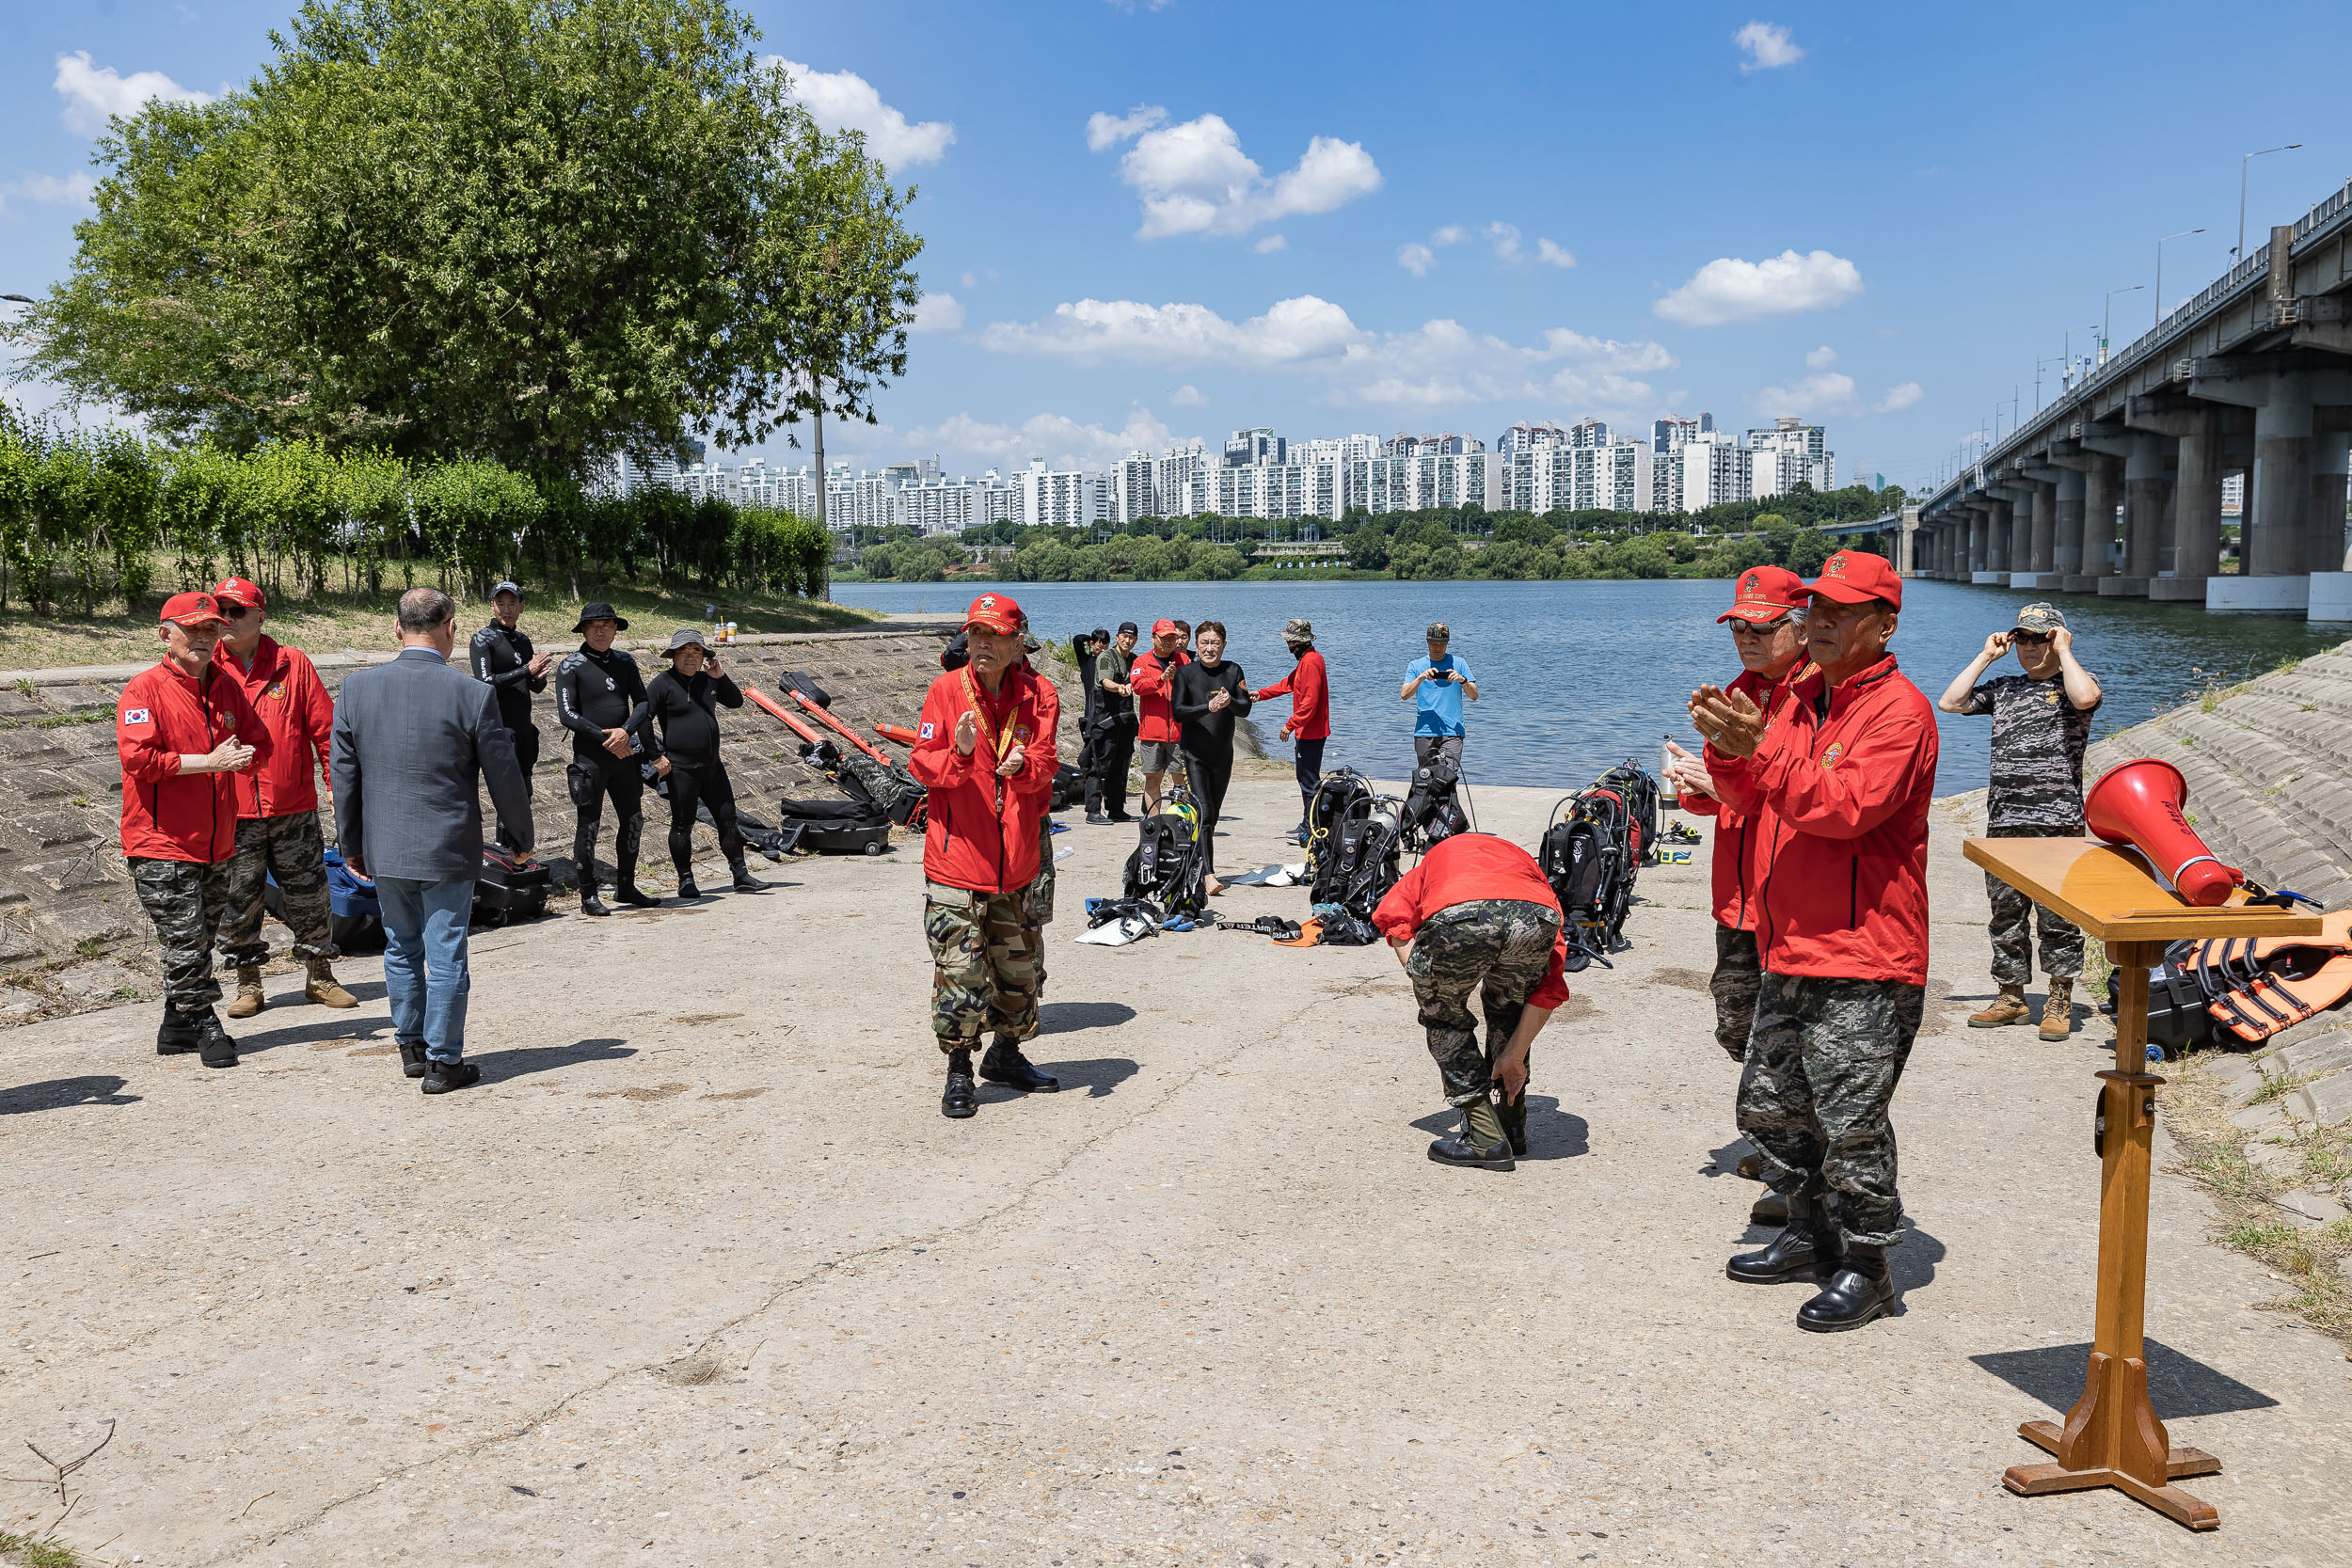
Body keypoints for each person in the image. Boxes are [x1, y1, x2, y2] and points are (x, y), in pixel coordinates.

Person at [1690, 549, 1937, 1333]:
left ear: (1884, 624)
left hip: (1867, 952)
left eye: (1841, 611)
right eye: (1818, 608)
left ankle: (1868, 1266)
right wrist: (1729, 753)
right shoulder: (1802, 699)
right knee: (1770, 1103)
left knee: (1850, 1117)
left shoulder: (1899, 712)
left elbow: (1841, 807)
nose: (1820, 621)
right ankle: (1810, 1230)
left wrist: (1757, 749)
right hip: (1791, 941)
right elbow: (1754, 795)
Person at [330, 588, 532, 1094]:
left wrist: (351, 842)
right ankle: (444, 1061)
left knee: (400, 945)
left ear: (397, 628)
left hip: (386, 847)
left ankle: (412, 1046)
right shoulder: (471, 693)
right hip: (447, 846)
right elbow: (503, 775)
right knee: (445, 950)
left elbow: (344, 775)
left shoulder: (355, 690)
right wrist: (521, 838)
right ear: (450, 626)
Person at [1661, 565, 1811, 1216]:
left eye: (1761, 627)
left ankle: (1796, 1162)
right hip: (1738, 895)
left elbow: (1808, 798)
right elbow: (1733, 798)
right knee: (1736, 1020)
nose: (1746, 638)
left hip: (1793, 896)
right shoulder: (1736, 692)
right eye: (1737, 627)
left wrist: (1725, 782)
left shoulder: (1817, 696)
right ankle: (1787, 1137)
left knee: (1791, 1034)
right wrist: (1696, 785)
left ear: (1798, 628)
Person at [909, 592, 1062, 1118]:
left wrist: (1024, 765)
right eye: (975, 634)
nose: (981, 645)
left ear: (1018, 642)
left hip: (1017, 860)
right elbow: (923, 766)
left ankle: (1006, 1054)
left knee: (1018, 970)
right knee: (960, 970)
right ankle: (958, 1070)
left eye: (994, 636)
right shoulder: (946, 691)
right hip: (957, 860)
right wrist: (963, 752)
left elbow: (1047, 764)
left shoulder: (1040, 695)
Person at [117, 592, 270, 1069]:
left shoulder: (224, 686)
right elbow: (137, 759)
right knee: (184, 939)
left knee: (200, 939)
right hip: (160, 842)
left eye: (211, 629)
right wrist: (210, 762)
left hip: (218, 842)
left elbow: (258, 742)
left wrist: (245, 758)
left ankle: (175, 1025)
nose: (204, 638)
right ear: (166, 634)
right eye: (193, 629)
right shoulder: (143, 690)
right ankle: (204, 1021)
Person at [1936, 603, 2104, 1041]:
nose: (2030, 647)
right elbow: (1950, 702)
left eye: (2040, 638)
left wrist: (2064, 651)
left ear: (2057, 639)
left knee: (2058, 918)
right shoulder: (2004, 687)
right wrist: (1985, 657)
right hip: (2005, 823)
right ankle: (2011, 998)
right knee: (2005, 915)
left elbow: (2087, 698)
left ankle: (2059, 999)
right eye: (2023, 639)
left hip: (2059, 826)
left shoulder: (2074, 688)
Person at [1373, 832, 1570, 1172]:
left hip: (1457, 914)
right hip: (1536, 917)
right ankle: (1511, 1124)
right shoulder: (1525, 869)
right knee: (1511, 1006)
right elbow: (1550, 984)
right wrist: (1513, 1055)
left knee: (1445, 1020)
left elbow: (1393, 917)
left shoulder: (1434, 861)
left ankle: (1485, 1138)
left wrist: (1427, 981)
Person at [205, 575, 358, 1017]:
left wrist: (336, 788)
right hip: (232, 811)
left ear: (260, 616)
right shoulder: (206, 670)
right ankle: (247, 982)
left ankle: (320, 976)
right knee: (239, 900)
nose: (226, 620)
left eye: (236, 611)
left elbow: (325, 733)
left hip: (293, 806)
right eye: (221, 612)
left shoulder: (293, 663)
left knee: (309, 894)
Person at [639, 628, 766, 899]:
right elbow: (642, 720)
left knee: (728, 820)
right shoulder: (662, 683)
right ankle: (685, 880)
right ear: (673, 655)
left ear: (703, 656)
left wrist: (721, 677)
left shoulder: (707, 680)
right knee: (682, 825)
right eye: (683, 651)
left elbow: (735, 702)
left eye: (696, 651)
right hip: (680, 769)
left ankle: (741, 876)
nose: (690, 657)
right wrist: (655, 756)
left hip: (712, 767)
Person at [555, 602, 658, 916]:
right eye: (594, 626)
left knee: (633, 819)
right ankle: (588, 895)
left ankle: (626, 886)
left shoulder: (625, 662)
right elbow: (567, 714)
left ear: (615, 629)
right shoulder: (570, 665)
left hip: (624, 754)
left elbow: (642, 703)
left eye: (607, 626)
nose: (600, 631)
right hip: (591, 758)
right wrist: (606, 738)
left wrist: (625, 733)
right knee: (589, 825)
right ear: (583, 630)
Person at [469, 579, 553, 853]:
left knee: (523, 794)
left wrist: (539, 678)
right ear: (492, 606)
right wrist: (526, 670)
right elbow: (485, 682)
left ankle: (517, 853)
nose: (506, 609)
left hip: (523, 730)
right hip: (498, 729)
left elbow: (532, 686)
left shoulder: (523, 641)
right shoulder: (483, 639)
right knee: (506, 796)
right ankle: (502, 853)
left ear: (521, 606)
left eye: (512, 603)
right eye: (500, 603)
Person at [1170, 620, 1251, 895]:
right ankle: (1208, 874)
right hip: (1194, 754)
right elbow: (1178, 712)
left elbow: (1246, 708)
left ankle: (1195, 861)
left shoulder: (1233, 671)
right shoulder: (1185, 674)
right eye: (1204, 642)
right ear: (1196, 644)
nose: (1209, 648)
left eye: (1214, 643)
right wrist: (1207, 706)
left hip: (1222, 757)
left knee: (1212, 815)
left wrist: (1230, 702)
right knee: (1203, 811)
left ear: (1223, 645)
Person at [1254, 617, 1329, 847]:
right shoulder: (1307, 661)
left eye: (1289, 641)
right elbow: (1288, 684)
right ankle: (1308, 822)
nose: (1287, 646)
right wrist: (1261, 694)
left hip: (1311, 732)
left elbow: (1310, 701)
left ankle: (1312, 827)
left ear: (1297, 642)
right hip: (1307, 731)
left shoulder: (1311, 661)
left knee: (1309, 782)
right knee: (1305, 779)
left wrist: (1290, 724)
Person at [1128, 619, 1187, 816]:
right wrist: (1161, 679)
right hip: (1152, 734)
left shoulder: (1184, 661)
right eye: (1163, 637)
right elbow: (1138, 688)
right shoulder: (1141, 662)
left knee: (1182, 780)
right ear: (1153, 638)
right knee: (1152, 780)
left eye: (1172, 637)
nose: (1168, 641)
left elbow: (1193, 690)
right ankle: (1154, 823)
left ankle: (1185, 820)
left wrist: (1177, 678)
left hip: (1179, 733)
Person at [1401, 621, 1477, 769]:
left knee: (1447, 776)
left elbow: (1474, 695)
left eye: (1442, 644)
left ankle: (1449, 793)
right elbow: (1404, 695)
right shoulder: (1415, 665)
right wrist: (1421, 678)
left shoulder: (1459, 663)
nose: (1438, 648)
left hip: (1453, 731)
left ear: (1447, 643)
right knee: (1426, 777)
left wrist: (1462, 680)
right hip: (1425, 731)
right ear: (1427, 642)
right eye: (1434, 644)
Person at [1089, 621, 1140, 824]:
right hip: (1104, 719)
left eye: (1132, 637)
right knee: (1099, 764)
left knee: (1122, 764)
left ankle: (1116, 809)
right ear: (1117, 637)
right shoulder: (1106, 657)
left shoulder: (1135, 660)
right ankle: (1093, 811)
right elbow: (1106, 682)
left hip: (1126, 720)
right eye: (1124, 636)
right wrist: (1119, 687)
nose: (1128, 640)